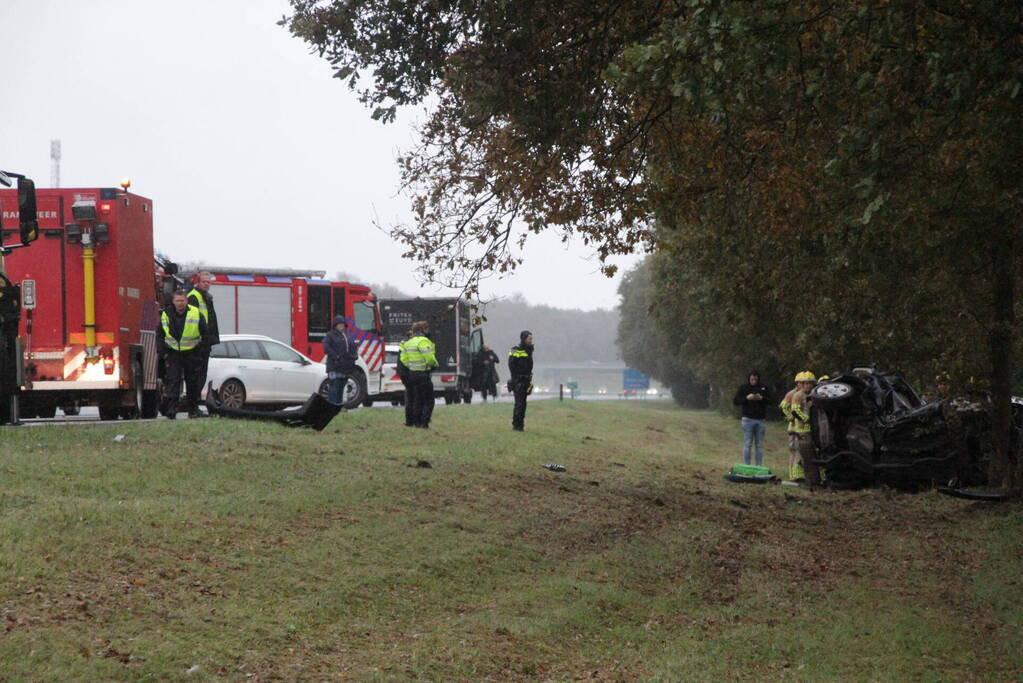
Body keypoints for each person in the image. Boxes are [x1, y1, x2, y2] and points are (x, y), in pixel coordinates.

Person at [157, 289, 209, 419]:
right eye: (177, 301)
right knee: (172, 381)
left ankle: (193, 409)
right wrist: (163, 352)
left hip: (192, 353)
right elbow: (160, 334)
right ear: (173, 302)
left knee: (192, 382)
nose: (180, 303)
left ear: (186, 301)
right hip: (173, 353)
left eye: (182, 300)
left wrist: (201, 351)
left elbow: (205, 334)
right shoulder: (166, 314)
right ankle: (172, 409)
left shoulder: (196, 313)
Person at [780, 371, 820, 486]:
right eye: (802, 383)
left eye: (810, 383)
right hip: (798, 429)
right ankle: (795, 476)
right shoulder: (795, 394)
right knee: (796, 452)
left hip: (808, 429)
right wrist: (792, 418)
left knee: (804, 453)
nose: (805, 385)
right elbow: (786, 408)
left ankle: (800, 475)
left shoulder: (811, 394)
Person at [186, 271, 220, 404]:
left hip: (204, 342)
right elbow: (193, 321)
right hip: (197, 343)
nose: (206, 284)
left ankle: (194, 403)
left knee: (201, 375)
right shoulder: (194, 297)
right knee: (196, 376)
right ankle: (192, 404)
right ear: (198, 282)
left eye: (208, 282)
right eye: (204, 282)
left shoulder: (206, 297)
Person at [399, 321, 438, 428]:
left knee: (417, 399)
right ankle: (424, 423)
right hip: (423, 374)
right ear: (422, 330)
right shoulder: (423, 341)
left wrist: (411, 366)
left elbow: (404, 359)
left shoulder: (408, 342)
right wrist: (433, 365)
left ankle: (416, 422)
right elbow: (429, 358)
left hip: (412, 374)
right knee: (429, 401)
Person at [732, 369, 773, 466]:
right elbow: (736, 401)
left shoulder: (764, 387)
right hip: (747, 419)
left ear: (758, 379)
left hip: (760, 420)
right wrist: (747, 398)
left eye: (755, 379)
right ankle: (747, 465)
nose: (753, 381)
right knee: (747, 444)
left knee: (759, 445)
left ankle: (758, 466)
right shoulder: (744, 387)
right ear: (749, 379)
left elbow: (772, 401)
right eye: (752, 379)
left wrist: (761, 398)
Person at [323, 315, 358, 406]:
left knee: (341, 386)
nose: (341, 326)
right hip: (334, 366)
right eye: (339, 325)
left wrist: (354, 356)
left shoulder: (348, 335)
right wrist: (336, 357)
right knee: (334, 386)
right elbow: (326, 348)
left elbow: (353, 346)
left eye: (343, 324)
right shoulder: (330, 335)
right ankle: (332, 405)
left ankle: (338, 406)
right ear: (335, 325)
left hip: (345, 367)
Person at [508, 331, 534, 431]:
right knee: (519, 403)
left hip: (526, 380)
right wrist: (516, 378)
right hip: (518, 380)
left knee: (523, 404)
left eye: (531, 339)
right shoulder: (515, 349)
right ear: (524, 339)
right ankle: (516, 425)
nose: (531, 341)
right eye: (529, 338)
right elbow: (511, 365)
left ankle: (521, 425)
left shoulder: (529, 350)